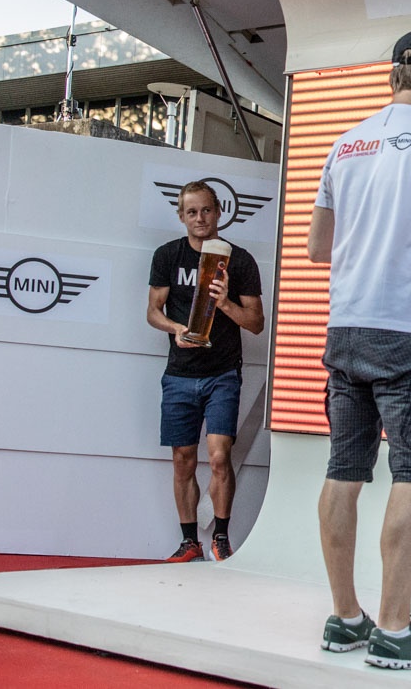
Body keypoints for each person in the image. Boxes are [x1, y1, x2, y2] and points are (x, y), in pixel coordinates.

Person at [308, 29, 411, 672]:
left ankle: (346, 618)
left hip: (345, 327)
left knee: (343, 471)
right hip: (408, 331)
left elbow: (318, 247)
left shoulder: (344, 142)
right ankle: (396, 630)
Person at [147, 180, 265, 563]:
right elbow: (153, 312)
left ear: (218, 213)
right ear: (182, 216)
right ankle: (189, 542)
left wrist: (225, 302)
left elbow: (256, 323)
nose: (200, 218)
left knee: (218, 457)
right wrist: (175, 329)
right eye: (192, 212)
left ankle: (220, 537)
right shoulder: (167, 255)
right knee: (183, 457)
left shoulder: (239, 260)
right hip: (179, 373)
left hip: (222, 373)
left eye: (206, 210)